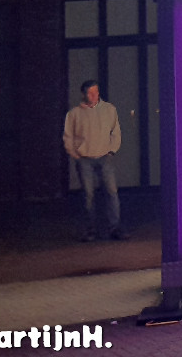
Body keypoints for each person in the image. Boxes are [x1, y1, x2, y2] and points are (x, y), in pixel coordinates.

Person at [62, 79, 128, 241]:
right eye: (90, 93)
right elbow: (68, 136)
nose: (94, 95)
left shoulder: (109, 110)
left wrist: (112, 150)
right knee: (88, 195)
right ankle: (90, 229)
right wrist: (75, 154)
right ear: (84, 94)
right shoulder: (74, 114)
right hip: (84, 158)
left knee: (111, 192)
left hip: (104, 156)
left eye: (96, 92)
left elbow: (116, 132)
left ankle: (114, 227)